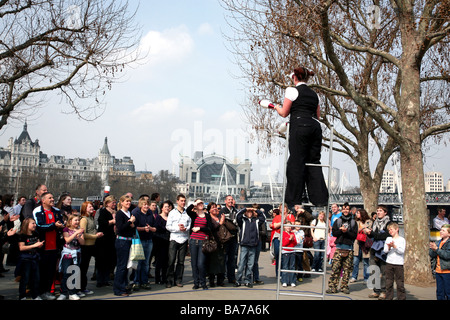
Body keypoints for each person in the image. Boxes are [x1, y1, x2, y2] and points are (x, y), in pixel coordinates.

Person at [272, 67, 328, 207]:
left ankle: (295, 198)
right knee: (314, 161)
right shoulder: (315, 95)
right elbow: (318, 116)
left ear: (295, 78)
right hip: (315, 128)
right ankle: (319, 198)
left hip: (300, 126)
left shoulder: (292, 90)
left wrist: (275, 107)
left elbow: (284, 113)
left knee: (296, 162)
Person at [33, 192, 64, 300]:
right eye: (49, 198)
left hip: (54, 246)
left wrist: (60, 226)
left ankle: (46, 292)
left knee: (51, 271)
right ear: (43, 200)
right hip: (42, 247)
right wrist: (53, 225)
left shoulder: (56, 211)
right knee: (40, 272)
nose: (52, 199)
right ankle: (37, 293)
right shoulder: (38, 211)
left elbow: (62, 223)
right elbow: (39, 226)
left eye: (52, 197)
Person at [326, 202, 358, 294]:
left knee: (347, 269)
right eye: (344, 209)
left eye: (347, 209)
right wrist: (341, 231)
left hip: (349, 248)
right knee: (335, 268)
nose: (345, 211)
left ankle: (344, 286)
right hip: (339, 247)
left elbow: (354, 235)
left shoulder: (353, 222)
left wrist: (346, 231)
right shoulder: (338, 221)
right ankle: (332, 286)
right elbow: (334, 233)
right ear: (342, 210)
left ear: (349, 210)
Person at [363, 205, 392, 300]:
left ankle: (383, 291)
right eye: (377, 211)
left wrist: (373, 234)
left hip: (384, 250)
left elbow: (386, 236)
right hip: (374, 249)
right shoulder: (375, 222)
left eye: (380, 211)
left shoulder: (389, 223)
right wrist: (368, 232)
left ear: (385, 212)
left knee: (384, 271)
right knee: (373, 269)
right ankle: (376, 290)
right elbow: (375, 236)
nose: (378, 212)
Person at [186, 199, 216, 290]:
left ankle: (203, 283)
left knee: (201, 263)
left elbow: (210, 228)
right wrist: (194, 204)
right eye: (199, 204)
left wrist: (200, 228)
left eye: (201, 203)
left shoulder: (207, 216)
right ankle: (196, 283)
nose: (200, 205)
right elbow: (187, 210)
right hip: (193, 241)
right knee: (194, 263)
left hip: (203, 241)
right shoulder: (194, 215)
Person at [234, 207, 265, 288]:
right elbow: (238, 216)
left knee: (250, 264)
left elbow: (263, 217)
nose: (249, 213)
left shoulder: (256, 221)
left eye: (251, 212)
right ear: (245, 213)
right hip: (244, 245)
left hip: (253, 245)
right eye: (248, 212)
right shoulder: (243, 221)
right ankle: (238, 280)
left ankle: (247, 280)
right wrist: (245, 209)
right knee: (241, 264)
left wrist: (256, 210)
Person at [165, 194, 191, 288]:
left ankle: (178, 279)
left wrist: (185, 228)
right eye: (181, 201)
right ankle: (169, 280)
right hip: (174, 239)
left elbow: (189, 225)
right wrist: (178, 228)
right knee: (171, 260)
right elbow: (168, 226)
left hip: (183, 239)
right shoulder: (172, 212)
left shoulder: (187, 213)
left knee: (181, 261)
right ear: (177, 201)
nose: (183, 202)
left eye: (184, 201)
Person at [57, 214, 85, 300]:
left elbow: (83, 242)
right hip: (67, 254)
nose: (77, 222)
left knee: (75, 273)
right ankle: (63, 292)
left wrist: (79, 236)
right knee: (66, 273)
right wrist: (75, 233)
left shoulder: (80, 230)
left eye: (78, 220)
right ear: (70, 221)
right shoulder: (66, 229)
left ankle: (73, 292)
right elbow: (67, 240)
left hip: (77, 254)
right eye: (75, 220)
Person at [113, 194, 136, 296]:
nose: (128, 203)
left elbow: (132, 228)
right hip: (122, 241)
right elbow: (120, 228)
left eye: (129, 201)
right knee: (121, 266)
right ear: (121, 202)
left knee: (126, 266)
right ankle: (118, 289)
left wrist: (132, 224)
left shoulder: (129, 213)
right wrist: (130, 222)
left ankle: (124, 286)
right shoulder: (119, 214)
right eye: (126, 201)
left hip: (129, 240)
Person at [79, 201, 103, 295]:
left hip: (92, 245)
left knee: (86, 267)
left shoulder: (91, 218)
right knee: (83, 268)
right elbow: (83, 234)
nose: (92, 208)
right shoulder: (84, 219)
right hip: (86, 246)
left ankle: (83, 287)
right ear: (85, 208)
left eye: (92, 207)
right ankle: (80, 288)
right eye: (90, 207)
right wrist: (95, 236)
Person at [17, 218, 44, 300]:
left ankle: (35, 295)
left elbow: (37, 244)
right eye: (32, 223)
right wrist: (34, 245)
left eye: (35, 223)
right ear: (26, 225)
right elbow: (21, 248)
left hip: (35, 258)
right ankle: (22, 296)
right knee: (25, 279)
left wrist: (40, 245)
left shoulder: (35, 234)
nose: (34, 225)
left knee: (36, 278)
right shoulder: (22, 235)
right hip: (26, 259)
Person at [132, 197, 156, 290]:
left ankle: (144, 281)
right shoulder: (136, 213)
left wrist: (150, 228)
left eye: (147, 204)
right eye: (144, 204)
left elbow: (154, 228)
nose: (146, 206)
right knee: (138, 262)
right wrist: (143, 229)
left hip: (149, 240)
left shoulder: (150, 214)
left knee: (146, 263)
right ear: (141, 205)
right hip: (139, 240)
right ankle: (136, 281)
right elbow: (134, 227)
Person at [95, 195, 116, 288]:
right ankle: (100, 280)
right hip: (103, 238)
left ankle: (106, 279)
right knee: (101, 260)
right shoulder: (103, 211)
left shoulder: (115, 212)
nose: (114, 204)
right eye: (112, 203)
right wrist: (112, 221)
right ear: (107, 203)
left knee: (109, 260)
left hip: (112, 238)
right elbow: (102, 223)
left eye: (115, 203)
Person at [383, 222, 406, 300]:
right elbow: (385, 250)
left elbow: (401, 251)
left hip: (398, 263)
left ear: (397, 229)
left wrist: (394, 246)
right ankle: (389, 297)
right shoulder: (388, 239)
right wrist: (389, 247)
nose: (390, 231)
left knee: (400, 283)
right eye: (389, 230)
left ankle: (401, 298)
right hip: (389, 263)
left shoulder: (402, 239)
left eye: (391, 229)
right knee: (388, 282)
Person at [206, 202, 226, 287]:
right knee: (212, 262)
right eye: (212, 207)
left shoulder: (220, 217)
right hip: (212, 242)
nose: (215, 209)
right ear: (209, 210)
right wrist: (220, 223)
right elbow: (211, 228)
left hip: (221, 242)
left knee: (221, 261)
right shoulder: (208, 218)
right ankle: (211, 280)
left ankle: (220, 280)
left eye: (216, 207)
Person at [220, 195, 239, 284]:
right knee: (223, 258)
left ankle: (231, 278)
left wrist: (229, 222)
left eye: (232, 200)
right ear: (225, 201)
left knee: (232, 259)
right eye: (229, 200)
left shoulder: (236, 211)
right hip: (225, 238)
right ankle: (221, 278)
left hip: (234, 238)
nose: (230, 201)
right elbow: (222, 223)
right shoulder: (222, 211)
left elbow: (238, 223)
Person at [351, 208, 373, 283]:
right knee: (355, 261)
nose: (357, 214)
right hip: (357, 242)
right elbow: (353, 231)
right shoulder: (355, 222)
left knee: (366, 262)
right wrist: (363, 229)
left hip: (365, 243)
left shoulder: (369, 221)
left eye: (358, 213)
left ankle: (366, 278)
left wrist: (362, 229)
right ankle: (354, 276)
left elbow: (369, 231)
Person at [153, 200, 172, 285]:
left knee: (166, 261)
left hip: (168, 240)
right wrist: (167, 228)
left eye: (168, 207)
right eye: (165, 207)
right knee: (159, 260)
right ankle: (157, 278)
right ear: (162, 208)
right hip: (160, 240)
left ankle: (164, 277)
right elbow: (158, 228)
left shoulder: (170, 217)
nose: (167, 208)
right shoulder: (158, 217)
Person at [429, 224, 450, 300]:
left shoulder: (449, 243)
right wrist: (432, 249)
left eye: (443, 230)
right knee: (439, 293)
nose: (441, 232)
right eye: (440, 230)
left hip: (447, 272)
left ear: (449, 233)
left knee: (448, 292)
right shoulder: (438, 242)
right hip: (438, 271)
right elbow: (431, 254)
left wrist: (437, 249)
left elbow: (447, 255)